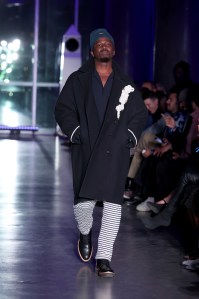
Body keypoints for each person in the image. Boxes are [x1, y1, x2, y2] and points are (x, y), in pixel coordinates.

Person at [54, 28, 147, 277]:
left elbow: (139, 114)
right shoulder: (78, 79)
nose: (104, 46)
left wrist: (130, 136)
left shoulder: (125, 83)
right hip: (86, 149)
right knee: (83, 205)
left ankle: (104, 258)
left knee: (113, 206)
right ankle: (85, 232)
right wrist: (75, 133)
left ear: (114, 50)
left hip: (114, 151)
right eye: (99, 43)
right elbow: (63, 109)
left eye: (108, 43)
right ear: (92, 50)